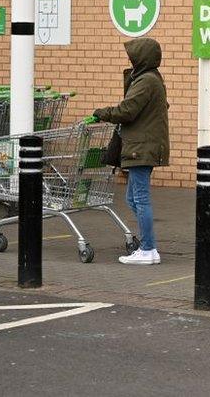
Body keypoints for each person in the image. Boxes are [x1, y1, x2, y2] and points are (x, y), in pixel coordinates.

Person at [90, 37, 170, 266]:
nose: (130, 61)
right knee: (132, 198)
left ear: (142, 58)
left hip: (141, 148)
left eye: (133, 57)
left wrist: (102, 112)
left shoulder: (147, 81)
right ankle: (148, 246)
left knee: (141, 199)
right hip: (141, 146)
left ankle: (147, 248)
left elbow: (127, 110)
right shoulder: (151, 79)